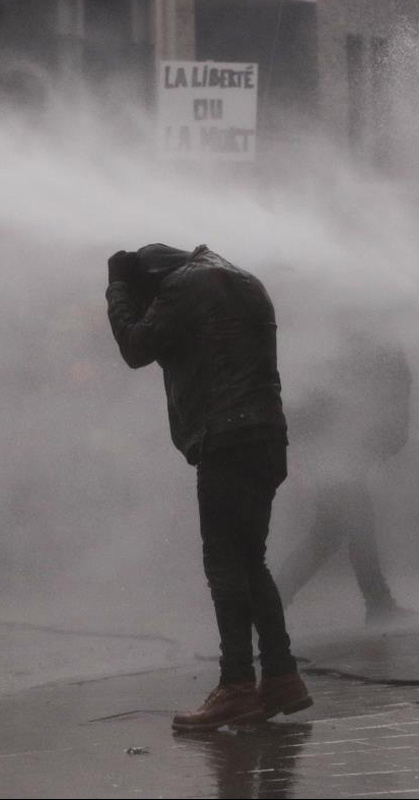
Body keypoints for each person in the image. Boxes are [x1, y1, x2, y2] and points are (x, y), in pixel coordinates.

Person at [106, 243, 311, 731]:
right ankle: (281, 677)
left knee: (224, 563)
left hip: (227, 435)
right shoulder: (239, 278)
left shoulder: (183, 285)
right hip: (265, 434)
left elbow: (136, 348)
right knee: (247, 559)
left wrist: (116, 289)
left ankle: (236, 686)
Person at [273, 325, 419, 626]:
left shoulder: (360, 351)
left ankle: (273, 604)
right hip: (338, 454)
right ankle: (377, 604)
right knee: (348, 526)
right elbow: (382, 402)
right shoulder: (374, 353)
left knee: (330, 533)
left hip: (338, 453)